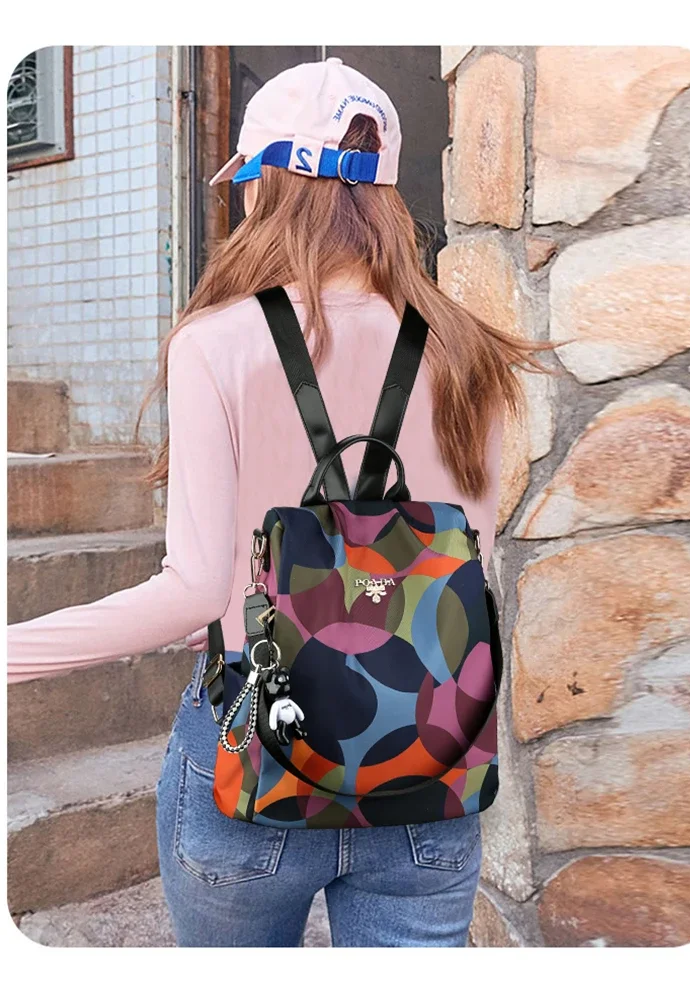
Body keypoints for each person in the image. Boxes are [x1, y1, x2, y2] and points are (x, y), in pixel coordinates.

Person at [6, 57, 546, 947]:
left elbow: (191, 589)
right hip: (428, 757)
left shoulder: (216, 343)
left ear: (266, 182)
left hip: (255, 743)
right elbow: (459, 556)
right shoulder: (467, 347)